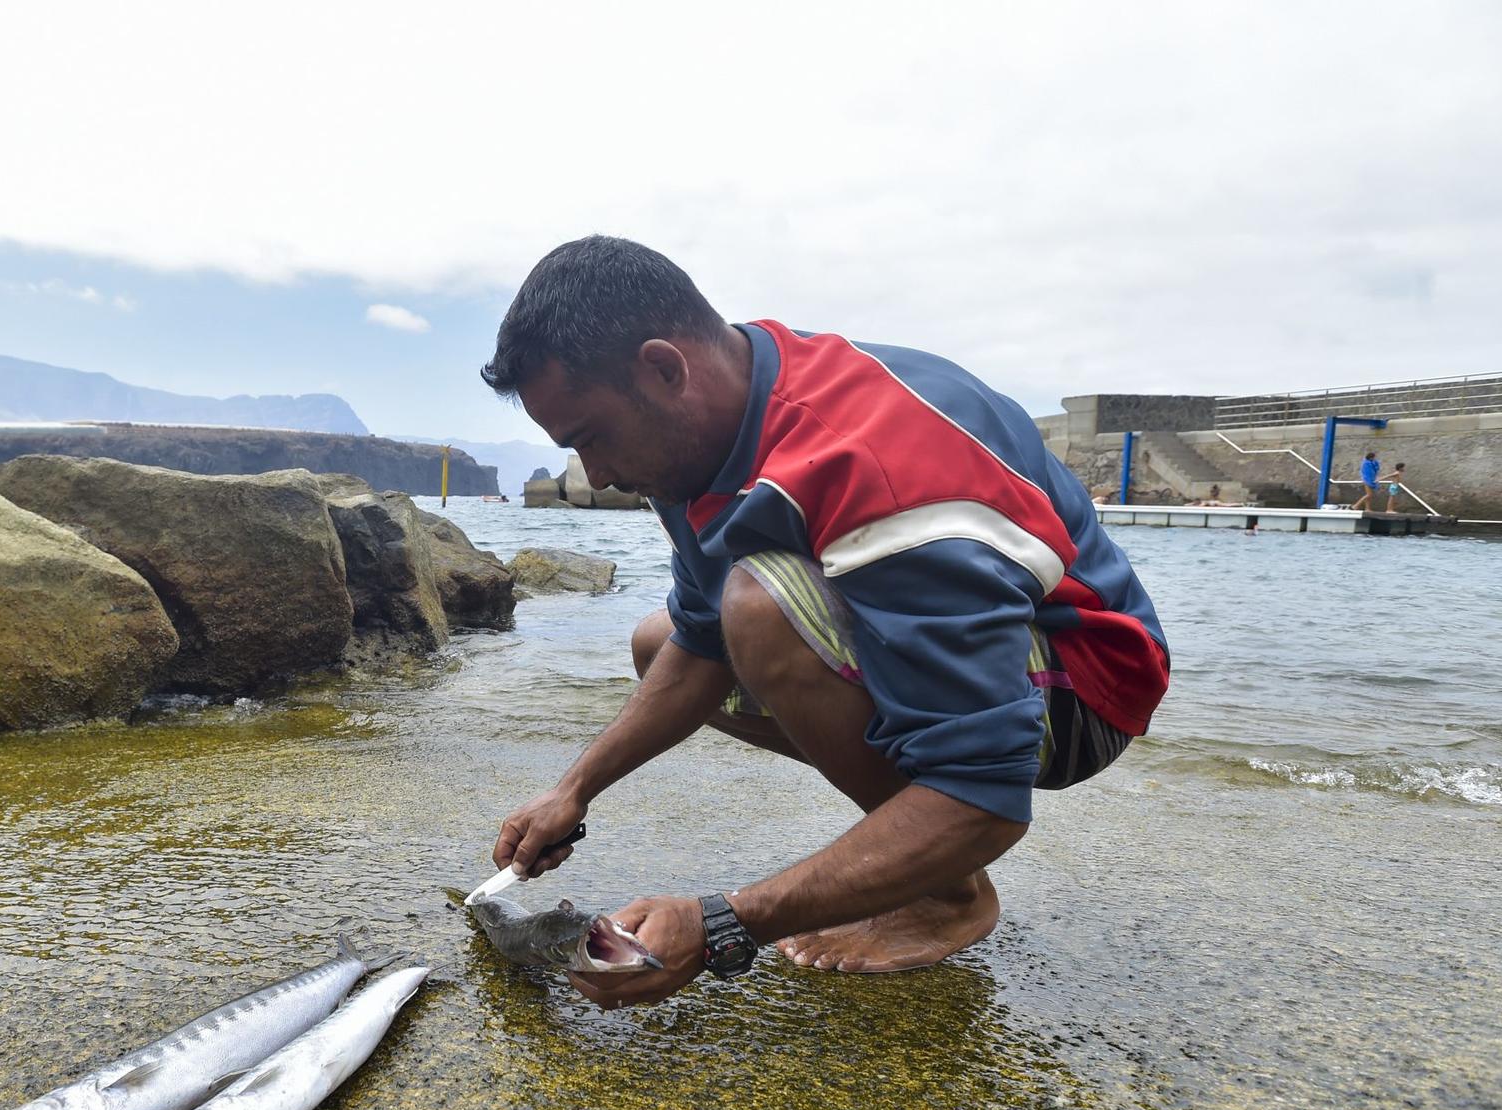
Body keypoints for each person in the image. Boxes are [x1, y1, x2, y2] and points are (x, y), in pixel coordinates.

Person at [478, 237, 1170, 1009]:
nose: (596, 474)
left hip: (1085, 683)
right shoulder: (698, 437)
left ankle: (947, 893)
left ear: (665, 368)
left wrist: (721, 923)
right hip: (938, 636)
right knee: (660, 642)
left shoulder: (872, 459)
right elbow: (700, 640)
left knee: (761, 607)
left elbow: (987, 796)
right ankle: (915, 841)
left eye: (591, 437)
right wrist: (574, 789)